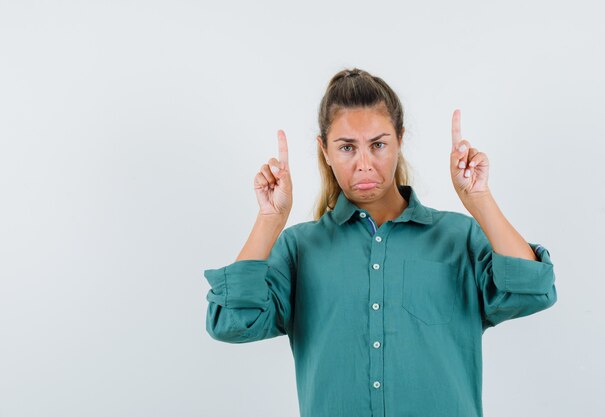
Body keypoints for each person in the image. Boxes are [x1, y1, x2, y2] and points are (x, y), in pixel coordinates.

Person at [203, 68, 557, 417]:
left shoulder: (458, 237)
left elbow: (532, 290)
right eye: (346, 148)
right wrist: (270, 220)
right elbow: (232, 321)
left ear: (399, 140)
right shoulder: (300, 249)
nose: (364, 164)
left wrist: (479, 199)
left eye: (378, 145)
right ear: (324, 150)